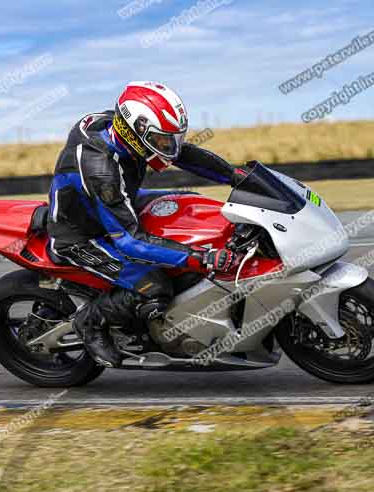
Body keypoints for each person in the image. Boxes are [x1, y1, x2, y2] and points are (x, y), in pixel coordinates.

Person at [47, 81, 243, 368]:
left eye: (172, 138)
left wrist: (234, 175)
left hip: (116, 203)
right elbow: (130, 241)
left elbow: (182, 154)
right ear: (135, 132)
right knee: (155, 286)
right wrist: (203, 259)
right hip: (81, 235)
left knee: (187, 202)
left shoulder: (119, 129)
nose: (170, 147)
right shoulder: (102, 170)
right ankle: (89, 322)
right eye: (164, 140)